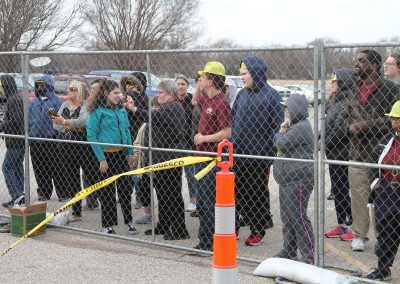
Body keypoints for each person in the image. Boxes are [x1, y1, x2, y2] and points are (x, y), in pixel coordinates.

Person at [342, 49, 400, 251]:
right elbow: (346, 117)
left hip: (383, 154)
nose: (356, 64)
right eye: (356, 60)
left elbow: (395, 121)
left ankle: (385, 237)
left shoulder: (391, 90)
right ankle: (359, 235)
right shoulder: (352, 89)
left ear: (374, 65)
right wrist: (349, 127)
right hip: (356, 152)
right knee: (358, 195)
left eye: (361, 61)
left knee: (384, 197)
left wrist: (369, 124)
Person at [231, 56, 283, 246]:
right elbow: (234, 120)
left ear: (255, 73)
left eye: (244, 74)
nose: (242, 78)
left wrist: (268, 154)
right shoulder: (241, 94)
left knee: (256, 194)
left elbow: (276, 128)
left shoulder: (272, 96)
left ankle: (258, 229)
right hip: (238, 155)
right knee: (237, 194)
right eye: (241, 74)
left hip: (258, 158)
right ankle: (236, 226)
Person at [140, 80, 189, 240]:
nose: (157, 95)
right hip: (160, 158)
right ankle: (164, 224)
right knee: (162, 193)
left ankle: (179, 229)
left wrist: (134, 108)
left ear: (169, 94)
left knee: (171, 194)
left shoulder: (173, 107)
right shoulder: (167, 108)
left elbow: (154, 117)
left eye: (160, 92)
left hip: (170, 158)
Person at [86, 79, 136, 234]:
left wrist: (129, 151)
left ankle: (129, 221)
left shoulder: (121, 110)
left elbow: (127, 131)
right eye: (115, 93)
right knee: (107, 192)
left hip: (121, 154)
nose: (119, 95)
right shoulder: (97, 111)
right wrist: (101, 159)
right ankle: (108, 224)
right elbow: (92, 136)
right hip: (106, 156)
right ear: (106, 94)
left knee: (125, 189)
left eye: (119, 92)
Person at [192, 62, 232, 251]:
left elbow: (227, 132)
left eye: (204, 76)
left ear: (212, 80)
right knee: (201, 202)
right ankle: (205, 239)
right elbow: (194, 100)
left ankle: (208, 243)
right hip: (201, 157)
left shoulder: (221, 102)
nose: (200, 79)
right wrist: (199, 86)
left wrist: (204, 138)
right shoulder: (206, 99)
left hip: (212, 159)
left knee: (207, 202)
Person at [273, 94, 315, 264]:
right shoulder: (295, 125)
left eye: (288, 107)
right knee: (287, 216)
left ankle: (309, 254)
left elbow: (280, 144)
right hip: (287, 179)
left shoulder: (301, 127)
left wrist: (280, 132)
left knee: (297, 216)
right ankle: (289, 250)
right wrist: (282, 133)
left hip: (298, 178)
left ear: (296, 108)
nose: (285, 110)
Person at [364, 101, 400, 281]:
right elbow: (374, 160)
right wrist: (375, 182)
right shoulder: (389, 138)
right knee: (386, 229)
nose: (394, 123)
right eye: (393, 119)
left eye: (398, 119)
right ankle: (383, 268)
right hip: (387, 189)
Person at [52, 80, 91, 222]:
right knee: (72, 179)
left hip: (83, 147)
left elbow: (83, 122)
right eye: (68, 88)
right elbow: (56, 126)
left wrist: (64, 122)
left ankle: (98, 203)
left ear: (79, 91)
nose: (68, 91)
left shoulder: (85, 105)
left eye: (71, 89)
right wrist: (69, 125)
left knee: (92, 176)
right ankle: (76, 211)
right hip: (66, 147)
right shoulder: (64, 105)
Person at [324, 69, 356, 238]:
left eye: (335, 81)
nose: (332, 84)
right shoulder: (334, 102)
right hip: (333, 153)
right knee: (337, 189)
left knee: (344, 189)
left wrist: (324, 143)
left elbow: (339, 130)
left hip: (343, 153)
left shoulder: (347, 103)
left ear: (343, 83)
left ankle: (352, 224)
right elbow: (327, 125)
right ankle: (341, 225)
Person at [28, 75, 64, 201]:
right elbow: (28, 120)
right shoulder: (34, 102)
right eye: (38, 84)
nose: (40, 87)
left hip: (52, 140)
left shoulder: (57, 101)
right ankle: (44, 192)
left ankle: (63, 193)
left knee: (57, 168)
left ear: (49, 85)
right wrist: (29, 135)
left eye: (43, 84)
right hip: (36, 142)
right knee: (40, 169)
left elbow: (62, 120)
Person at [120, 75, 148, 209]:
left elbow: (142, 113)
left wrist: (134, 98)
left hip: (139, 137)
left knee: (137, 168)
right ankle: (127, 195)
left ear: (138, 85)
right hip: (128, 136)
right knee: (129, 168)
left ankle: (139, 198)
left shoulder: (142, 98)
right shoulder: (124, 99)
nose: (128, 86)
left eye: (132, 84)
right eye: (126, 84)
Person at [0, 75, 25, 208]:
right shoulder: (15, 98)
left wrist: (1, 126)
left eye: (1, 86)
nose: (0, 89)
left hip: (16, 141)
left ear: (6, 86)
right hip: (18, 140)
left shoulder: (13, 100)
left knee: (7, 167)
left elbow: (16, 121)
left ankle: (16, 195)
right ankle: (20, 195)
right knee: (17, 166)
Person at [175, 74, 196, 213]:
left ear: (187, 86)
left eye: (183, 84)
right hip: (175, 143)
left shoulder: (192, 100)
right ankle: (176, 201)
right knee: (176, 174)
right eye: (178, 84)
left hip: (188, 143)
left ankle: (193, 201)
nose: (180, 86)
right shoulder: (173, 101)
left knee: (190, 174)